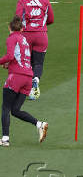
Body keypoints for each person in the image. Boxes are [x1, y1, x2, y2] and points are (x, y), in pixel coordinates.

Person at [0, 16, 48, 147]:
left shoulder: (12, 38)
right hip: (28, 77)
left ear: (9, 28)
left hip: (16, 77)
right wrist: (9, 65)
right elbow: (21, 58)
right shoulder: (24, 40)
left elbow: (10, 56)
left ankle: (5, 139)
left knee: (5, 107)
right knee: (15, 110)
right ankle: (40, 124)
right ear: (22, 28)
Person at [15, 0, 54, 100]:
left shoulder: (22, 1)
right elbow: (51, 19)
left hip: (26, 35)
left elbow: (17, 19)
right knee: (38, 63)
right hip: (41, 35)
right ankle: (35, 82)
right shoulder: (45, 1)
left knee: (26, 62)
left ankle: (24, 88)